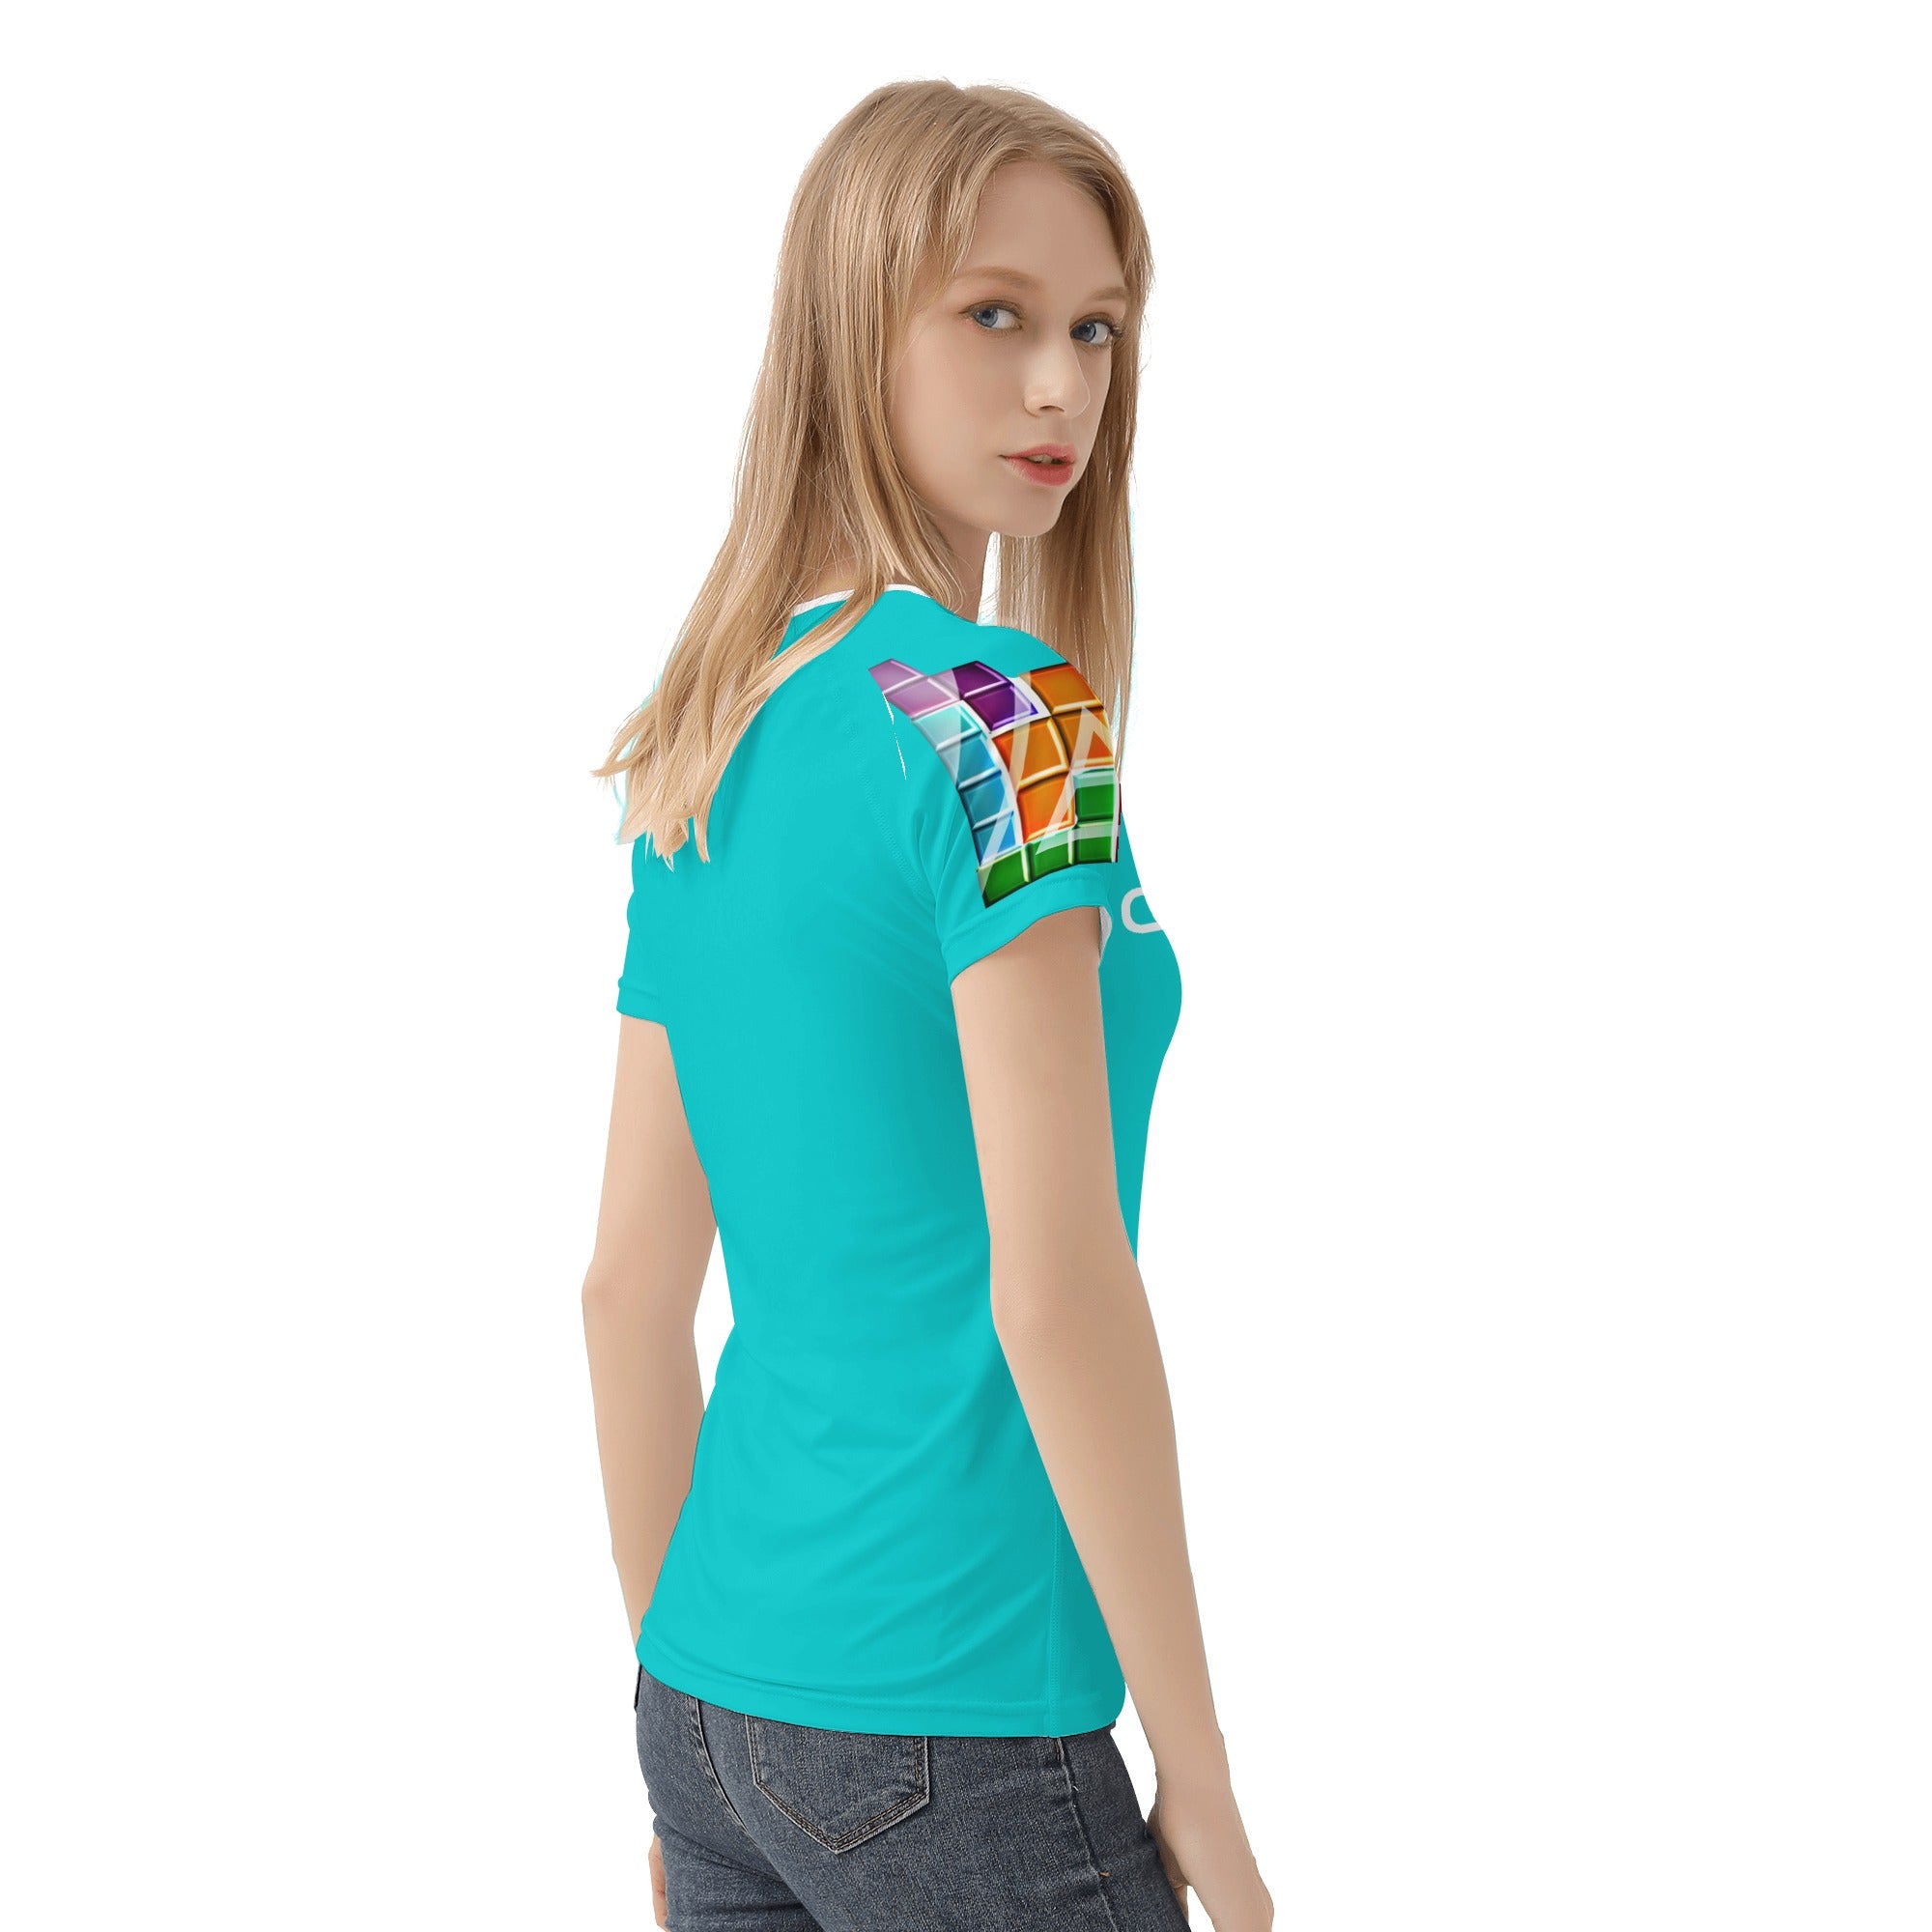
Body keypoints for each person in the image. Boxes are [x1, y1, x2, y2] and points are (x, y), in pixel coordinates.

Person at [583, 79, 1273, 1932]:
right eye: (995, 315)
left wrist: (681, 1735)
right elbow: (1057, 1292)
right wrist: (1200, 1771)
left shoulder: (708, 733)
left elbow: (626, 1293)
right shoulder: (1000, 717)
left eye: (1096, 330)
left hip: (710, 1695)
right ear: (850, 327)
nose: (1061, 386)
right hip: (960, 1719)